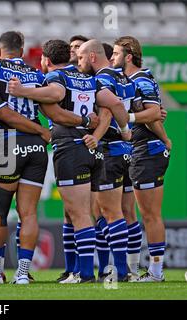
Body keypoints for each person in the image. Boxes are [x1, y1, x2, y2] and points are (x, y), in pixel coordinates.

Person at [0, 31, 97, 284]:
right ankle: (23, 273)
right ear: (23, 50)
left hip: (7, 143)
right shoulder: (37, 75)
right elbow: (53, 110)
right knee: (29, 213)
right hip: (36, 147)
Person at [10, 39, 130, 283]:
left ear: (46, 59)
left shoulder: (56, 78)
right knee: (91, 213)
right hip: (93, 150)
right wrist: (125, 127)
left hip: (70, 147)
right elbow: (113, 104)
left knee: (79, 215)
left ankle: (83, 274)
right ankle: (105, 271)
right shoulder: (89, 78)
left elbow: (56, 95)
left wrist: (24, 91)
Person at [77, 39, 162, 282]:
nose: (79, 62)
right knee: (124, 213)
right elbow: (140, 107)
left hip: (110, 149)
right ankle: (129, 271)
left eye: (82, 57)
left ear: (93, 57)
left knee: (108, 214)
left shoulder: (103, 78)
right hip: (127, 151)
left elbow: (108, 110)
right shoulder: (124, 78)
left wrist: (101, 134)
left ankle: (122, 272)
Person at [113, 36, 171, 282]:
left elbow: (154, 113)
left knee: (150, 214)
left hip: (147, 150)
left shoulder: (140, 78)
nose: (113, 58)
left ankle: (156, 273)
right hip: (141, 149)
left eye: (116, 53)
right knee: (142, 213)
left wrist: (164, 138)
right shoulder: (131, 80)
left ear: (128, 56)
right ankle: (145, 270)